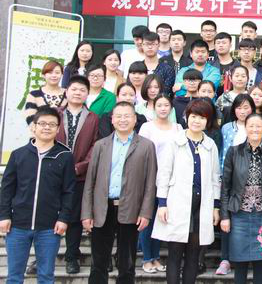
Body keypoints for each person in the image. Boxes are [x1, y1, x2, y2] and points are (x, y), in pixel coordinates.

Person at [81, 102, 158, 284]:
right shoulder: (101, 145)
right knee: (98, 262)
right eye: (119, 116)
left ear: (135, 119)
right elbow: (90, 182)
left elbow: (150, 183)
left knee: (127, 262)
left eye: (127, 116)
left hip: (131, 208)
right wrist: (87, 213)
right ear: (112, 120)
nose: (123, 120)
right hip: (103, 208)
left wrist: (145, 213)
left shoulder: (146, 146)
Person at [0, 106, 76, 284]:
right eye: (42, 123)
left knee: (46, 276)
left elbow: (69, 191)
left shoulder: (65, 156)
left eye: (52, 124)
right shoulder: (18, 155)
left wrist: (63, 218)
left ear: (58, 129)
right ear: (33, 127)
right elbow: (7, 189)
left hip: (49, 226)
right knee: (14, 276)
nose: (47, 127)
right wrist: (4, 215)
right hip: (17, 225)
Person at [152, 99, 221, 284]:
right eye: (194, 116)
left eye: (202, 118)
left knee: (193, 255)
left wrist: (215, 207)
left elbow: (215, 178)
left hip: (201, 207)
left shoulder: (210, 145)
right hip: (177, 204)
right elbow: (164, 174)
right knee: (174, 254)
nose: (197, 121)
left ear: (208, 121)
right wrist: (162, 203)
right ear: (187, 117)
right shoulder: (174, 142)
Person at [221, 114, 262, 284]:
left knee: (260, 262)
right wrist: (225, 216)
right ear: (245, 128)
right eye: (251, 126)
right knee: (240, 261)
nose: (255, 129)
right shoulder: (234, 152)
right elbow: (225, 187)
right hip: (239, 213)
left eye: (258, 126)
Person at [55, 75, 99, 275]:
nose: (77, 93)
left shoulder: (92, 118)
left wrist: (80, 167)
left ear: (87, 94)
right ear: (66, 91)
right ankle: (43, 255)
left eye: (82, 90)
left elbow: (95, 146)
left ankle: (71, 256)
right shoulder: (56, 114)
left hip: (79, 175)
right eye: (74, 89)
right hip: (54, 174)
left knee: (73, 218)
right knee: (50, 216)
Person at [137, 94, 181, 274]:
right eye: (159, 105)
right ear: (154, 108)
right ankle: (147, 258)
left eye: (166, 105)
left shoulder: (178, 128)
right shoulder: (146, 127)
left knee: (161, 220)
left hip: (170, 179)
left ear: (171, 108)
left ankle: (155, 257)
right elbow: (141, 153)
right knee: (147, 218)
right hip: (149, 177)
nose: (163, 108)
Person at [215, 94, 257, 276]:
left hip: (253, 183)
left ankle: (249, 257)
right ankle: (225, 258)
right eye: (239, 107)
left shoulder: (257, 126)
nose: (242, 111)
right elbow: (221, 153)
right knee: (227, 219)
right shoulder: (226, 128)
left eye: (246, 107)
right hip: (230, 179)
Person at [24, 60, 66, 124]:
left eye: (57, 73)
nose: (54, 75)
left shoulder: (68, 93)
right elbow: (30, 118)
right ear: (43, 75)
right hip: (41, 130)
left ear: (62, 75)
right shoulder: (34, 95)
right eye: (50, 72)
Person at [141, 31, 175, 96]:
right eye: (147, 44)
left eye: (153, 44)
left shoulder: (167, 69)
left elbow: (166, 91)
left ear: (159, 45)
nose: (150, 47)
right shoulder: (136, 67)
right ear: (142, 45)